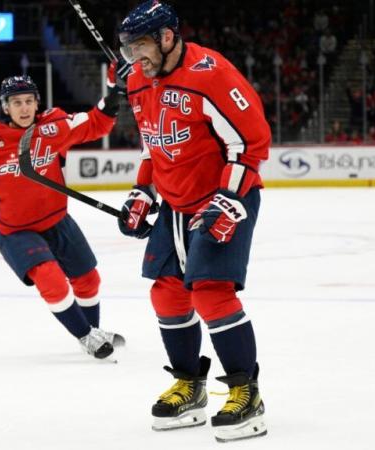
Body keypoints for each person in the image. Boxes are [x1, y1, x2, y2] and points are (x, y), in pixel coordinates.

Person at [115, 1, 270, 442]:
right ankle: (190, 384)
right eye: (128, 50)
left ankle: (247, 392)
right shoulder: (140, 82)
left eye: (140, 46)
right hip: (176, 204)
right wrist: (143, 191)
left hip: (227, 196)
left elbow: (251, 142)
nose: (134, 59)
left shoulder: (212, 74)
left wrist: (227, 198)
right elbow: (154, 145)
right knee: (165, 293)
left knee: (210, 292)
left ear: (167, 37)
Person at [0, 74, 126, 359]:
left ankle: (92, 331)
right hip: (15, 231)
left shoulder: (56, 125)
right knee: (51, 279)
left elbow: (96, 123)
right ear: (6, 107)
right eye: (16, 103)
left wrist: (115, 93)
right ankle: (85, 335)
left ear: (37, 103)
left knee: (89, 279)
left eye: (29, 101)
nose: (24, 108)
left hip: (57, 220)